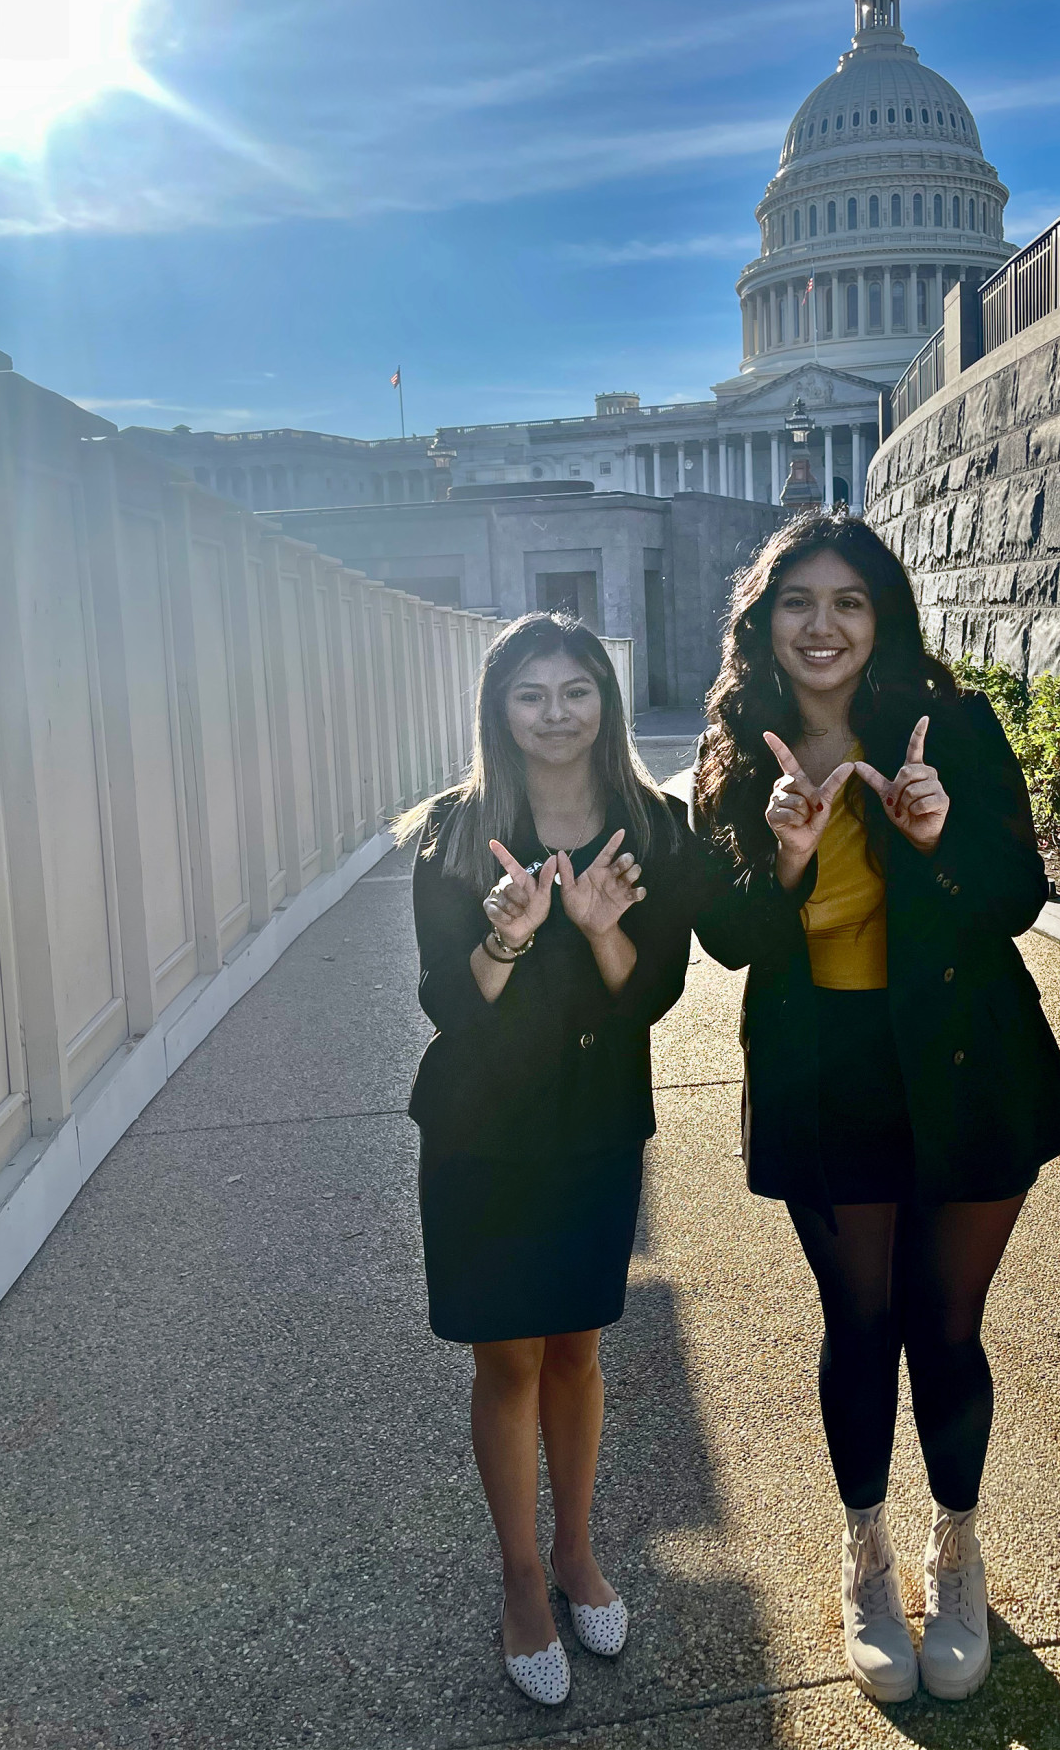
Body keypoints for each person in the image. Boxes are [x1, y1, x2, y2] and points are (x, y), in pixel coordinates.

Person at [692, 511, 1060, 1706]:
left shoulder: (952, 727)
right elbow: (725, 937)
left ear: (883, 616)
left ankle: (955, 1553)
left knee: (946, 1325)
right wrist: (793, 859)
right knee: (859, 1321)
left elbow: (1018, 894)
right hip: (828, 1068)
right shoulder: (734, 756)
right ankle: (866, 1554)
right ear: (765, 621)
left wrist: (938, 836)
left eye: (849, 601)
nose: (824, 626)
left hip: (969, 1057)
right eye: (799, 602)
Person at [396, 614, 693, 1708]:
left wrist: (602, 926)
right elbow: (443, 1000)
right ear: (499, 708)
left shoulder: (653, 826)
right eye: (533, 693)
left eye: (577, 689)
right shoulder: (454, 830)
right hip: (483, 1131)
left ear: (606, 703)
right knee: (506, 1358)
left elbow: (656, 991)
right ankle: (522, 1577)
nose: (557, 712)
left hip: (595, 1121)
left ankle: (576, 1550)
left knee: (575, 1346)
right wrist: (510, 936)